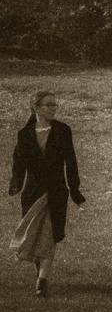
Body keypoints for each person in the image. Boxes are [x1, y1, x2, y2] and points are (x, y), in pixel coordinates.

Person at [8, 90, 86, 297]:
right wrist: (15, 184)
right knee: (33, 236)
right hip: (32, 194)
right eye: (48, 105)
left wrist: (74, 190)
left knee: (50, 236)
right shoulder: (24, 134)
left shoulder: (63, 131)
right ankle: (39, 274)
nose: (53, 108)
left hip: (56, 193)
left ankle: (42, 282)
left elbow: (71, 161)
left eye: (54, 105)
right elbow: (19, 162)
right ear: (36, 107)